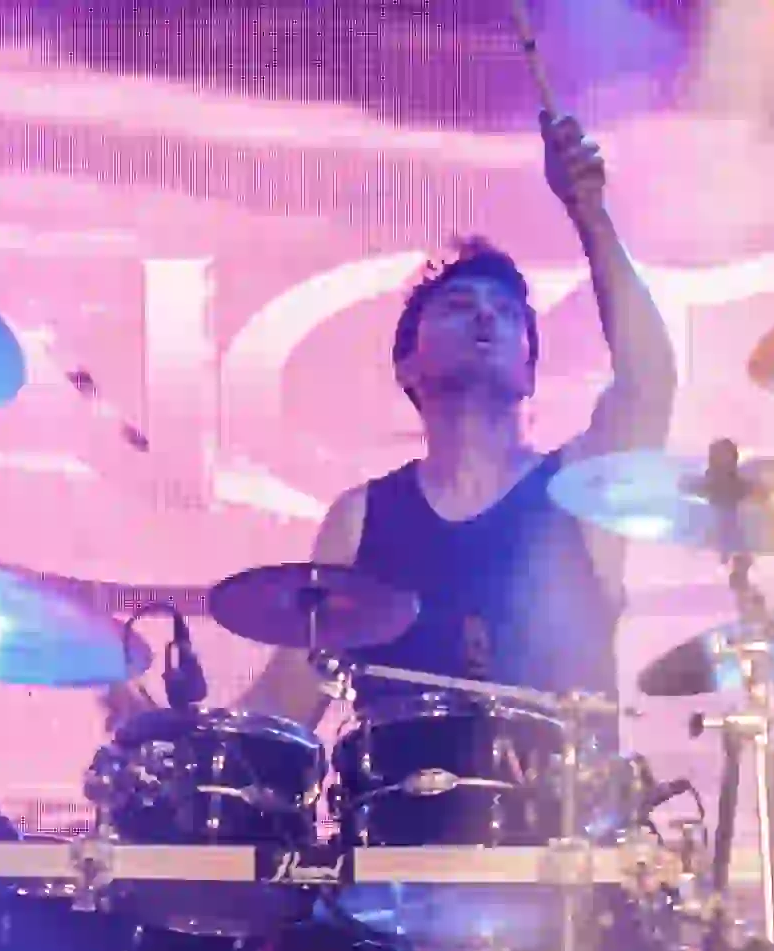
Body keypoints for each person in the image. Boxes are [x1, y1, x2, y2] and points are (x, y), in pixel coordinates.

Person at [105, 110, 676, 729]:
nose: (485, 316)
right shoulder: (362, 518)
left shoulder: (581, 488)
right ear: (407, 365)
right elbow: (281, 713)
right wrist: (174, 742)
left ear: (529, 372)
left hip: (565, 796)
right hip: (404, 799)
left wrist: (589, 213)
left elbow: (648, 380)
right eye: (458, 305)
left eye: (507, 312)